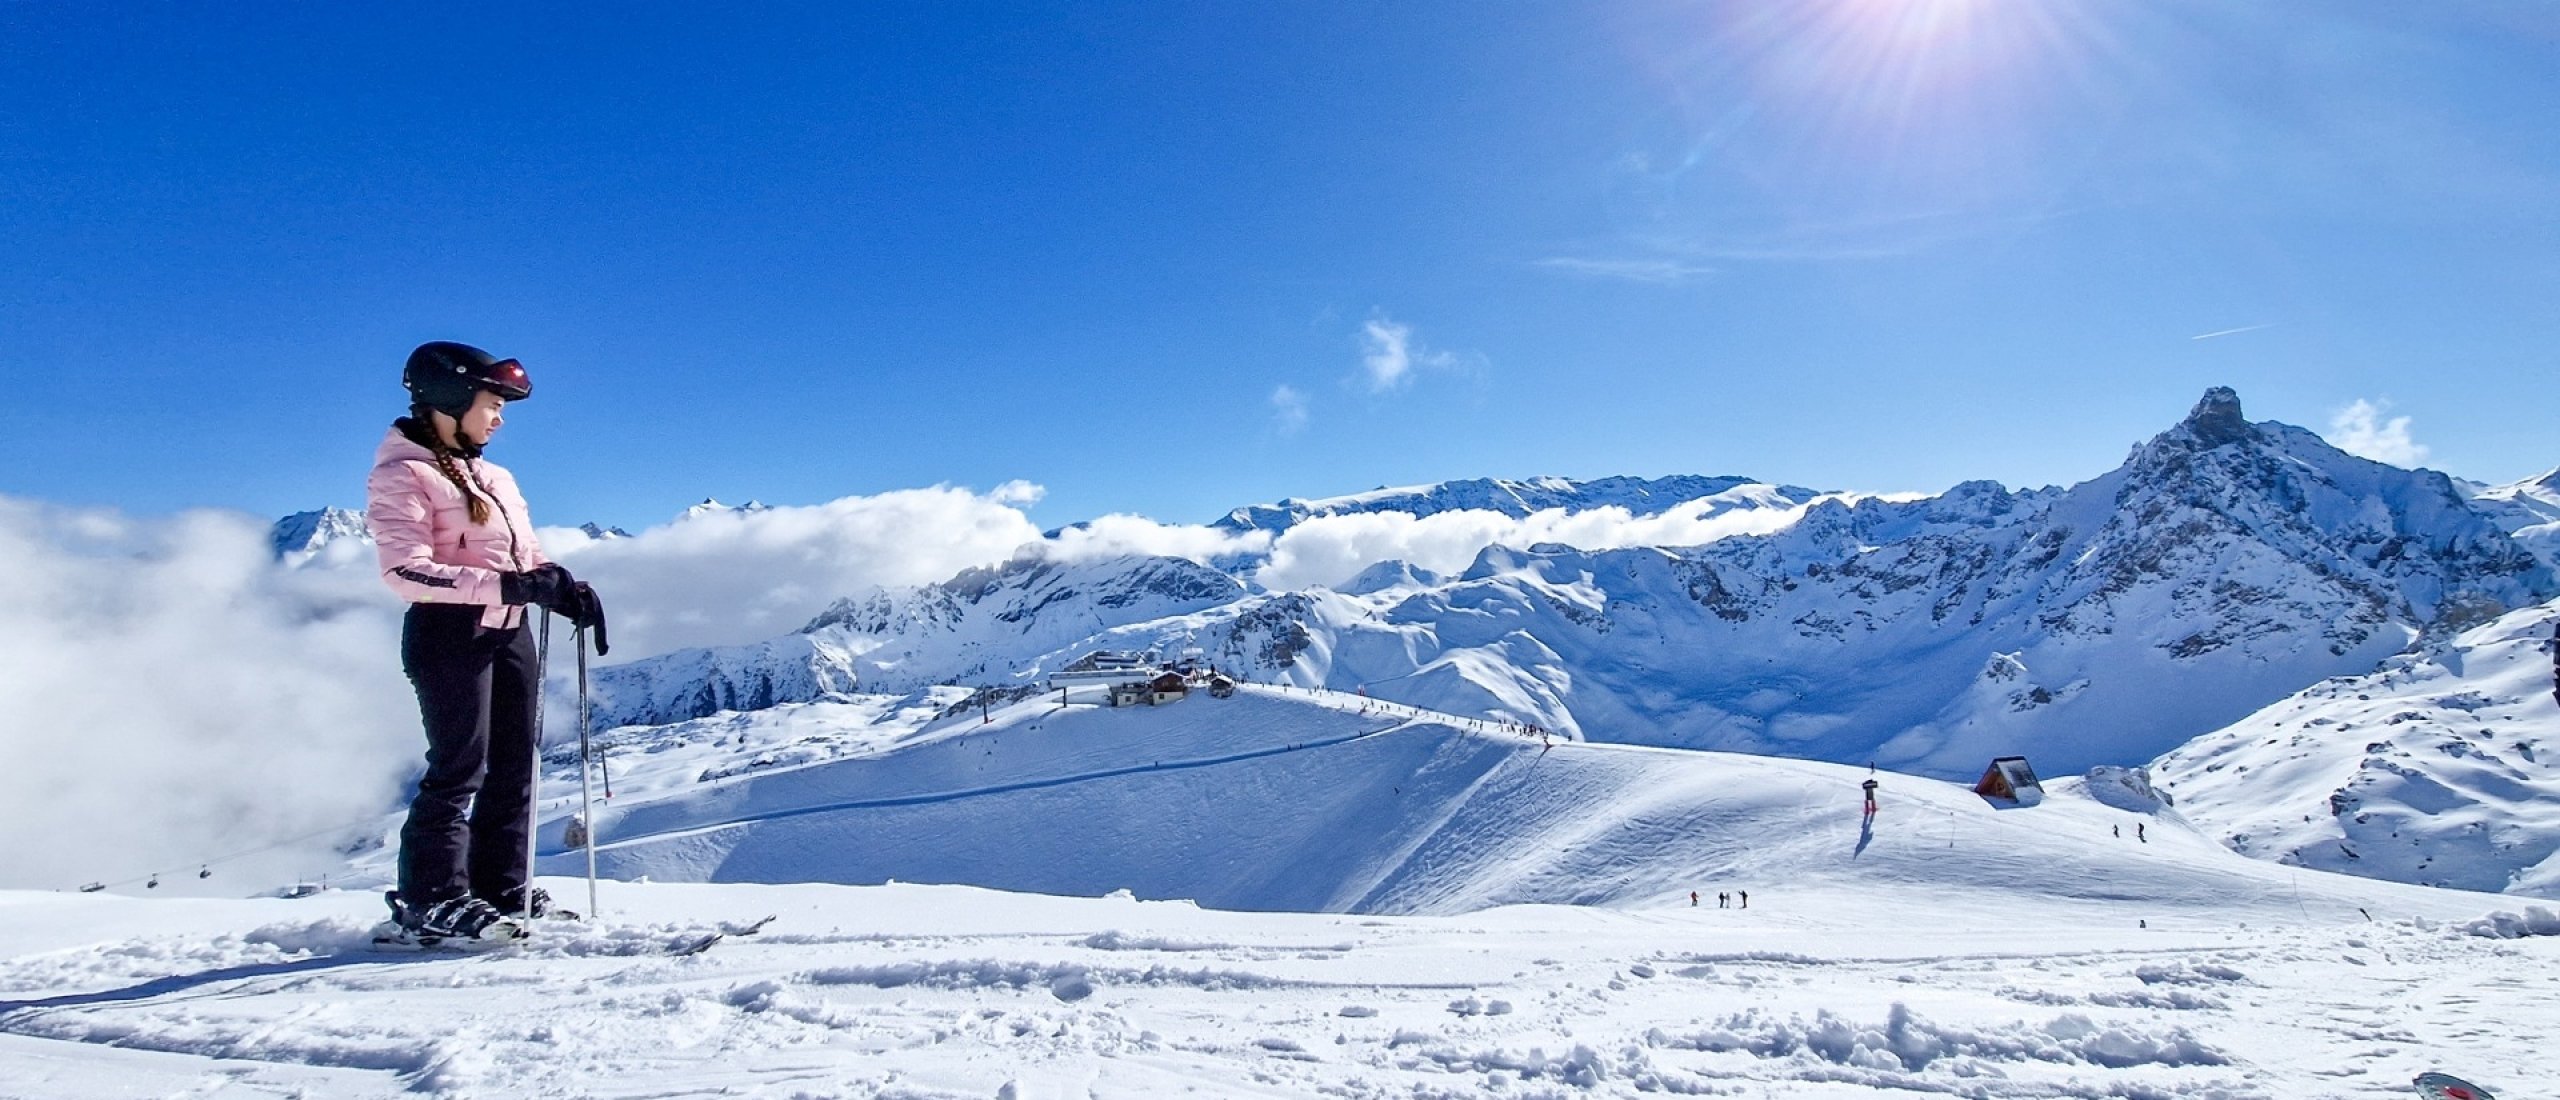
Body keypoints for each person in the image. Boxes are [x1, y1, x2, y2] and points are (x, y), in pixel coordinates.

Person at [367, 341, 604, 942]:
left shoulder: (494, 475)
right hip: (449, 633)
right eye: (490, 403)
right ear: (450, 399)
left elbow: (521, 556)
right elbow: (405, 570)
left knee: (514, 765)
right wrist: (510, 585)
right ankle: (431, 897)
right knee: (458, 767)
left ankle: (500, 884)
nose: (498, 417)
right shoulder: (404, 474)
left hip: (508, 630)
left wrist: (560, 584)